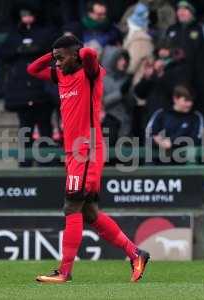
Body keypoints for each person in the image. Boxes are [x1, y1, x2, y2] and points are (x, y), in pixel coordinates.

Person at [27, 35, 150, 283]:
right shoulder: (60, 75)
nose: (57, 64)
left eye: (61, 58)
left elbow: (90, 56)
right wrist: (55, 54)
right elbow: (32, 69)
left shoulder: (91, 74)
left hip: (87, 151)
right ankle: (136, 253)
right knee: (90, 213)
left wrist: (79, 50)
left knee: (71, 206)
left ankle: (65, 271)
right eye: (56, 59)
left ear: (74, 55)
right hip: (73, 152)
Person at [1, 7, 54, 167]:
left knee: (44, 126)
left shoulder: (46, 33)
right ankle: (26, 161)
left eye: (30, 15)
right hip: (22, 91)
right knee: (25, 127)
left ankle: (46, 160)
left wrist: (36, 50)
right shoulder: (14, 35)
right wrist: (19, 51)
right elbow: (3, 53)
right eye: (24, 15)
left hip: (42, 90)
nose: (27, 19)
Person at [146, 84, 204, 163]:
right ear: (175, 99)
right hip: (160, 163)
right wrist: (158, 142)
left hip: (186, 165)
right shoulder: (161, 114)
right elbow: (149, 135)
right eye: (186, 100)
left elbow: (197, 139)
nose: (189, 104)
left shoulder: (196, 117)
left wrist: (171, 142)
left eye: (191, 101)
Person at [102, 49, 134, 146]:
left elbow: (131, 104)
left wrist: (128, 94)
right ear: (113, 60)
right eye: (120, 59)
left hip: (125, 123)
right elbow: (102, 101)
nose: (123, 62)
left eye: (125, 59)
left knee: (124, 156)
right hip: (109, 122)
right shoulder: (103, 79)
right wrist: (120, 93)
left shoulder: (126, 79)